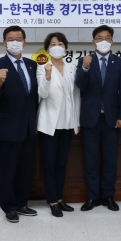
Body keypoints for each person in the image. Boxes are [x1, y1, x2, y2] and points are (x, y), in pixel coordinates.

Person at [0, 26, 39, 223]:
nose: (15, 42)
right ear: (4, 43)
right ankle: (9, 206)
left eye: (18, 39)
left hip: (28, 126)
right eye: (11, 39)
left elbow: (33, 97)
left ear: (24, 43)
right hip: (8, 127)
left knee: (25, 169)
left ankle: (22, 203)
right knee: (8, 169)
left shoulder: (31, 64)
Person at [76, 25, 121, 211]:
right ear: (93, 42)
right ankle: (92, 197)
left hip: (112, 120)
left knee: (110, 161)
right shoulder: (85, 60)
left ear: (112, 41)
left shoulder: (120, 63)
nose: (103, 41)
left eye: (107, 38)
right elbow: (80, 85)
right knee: (90, 161)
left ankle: (108, 196)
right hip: (90, 119)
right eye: (99, 38)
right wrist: (84, 67)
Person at [36, 32, 80, 217]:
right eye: (53, 44)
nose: (57, 47)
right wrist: (47, 76)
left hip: (67, 123)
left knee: (61, 164)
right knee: (49, 164)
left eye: (60, 44)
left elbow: (76, 95)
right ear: (47, 49)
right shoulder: (42, 68)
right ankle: (52, 200)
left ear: (66, 48)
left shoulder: (72, 67)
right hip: (49, 125)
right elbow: (42, 94)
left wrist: (76, 121)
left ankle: (60, 199)